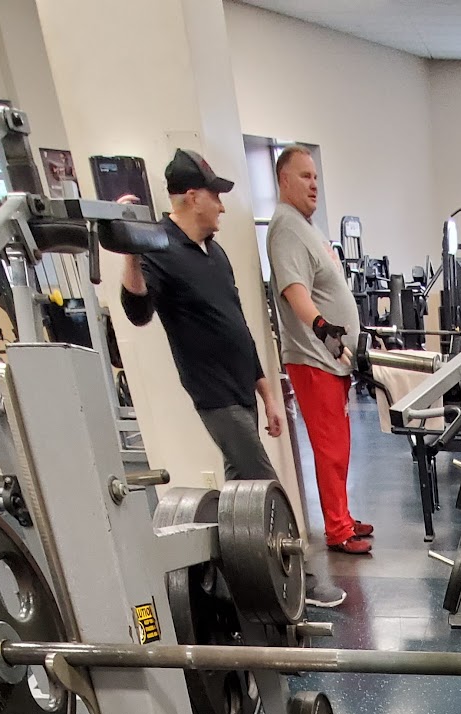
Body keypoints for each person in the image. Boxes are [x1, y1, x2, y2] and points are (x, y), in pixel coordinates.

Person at [115, 149, 285, 484]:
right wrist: (131, 253)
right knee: (267, 488)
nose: (222, 206)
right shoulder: (158, 248)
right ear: (193, 197)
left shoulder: (215, 252)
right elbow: (138, 312)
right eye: (216, 197)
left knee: (242, 490)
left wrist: (267, 395)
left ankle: (233, 522)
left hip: (243, 390)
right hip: (215, 395)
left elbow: (238, 325)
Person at [266, 147, 373, 556]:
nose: (314, 184)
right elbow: (295, 290)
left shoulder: (304, 226)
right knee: (329, 447)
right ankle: (338, 529)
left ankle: (342, 515)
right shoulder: (286, 228)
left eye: (315, 177)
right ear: (283, 180)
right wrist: (324, 330)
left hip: (331, 359)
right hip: (314, 357)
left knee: (340, 444)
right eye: (304, 176)